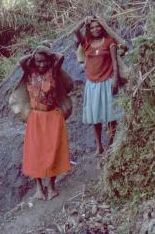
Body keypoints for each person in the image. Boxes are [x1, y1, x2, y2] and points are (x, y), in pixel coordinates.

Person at [18, 45, 71, 201]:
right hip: (36, 118)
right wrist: (35, 53)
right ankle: (39, 188)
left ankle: (52, 186)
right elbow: (21, 61)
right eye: (38, 61)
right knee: (36, 153)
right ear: (34, 61)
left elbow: (60, 56)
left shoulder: (53, 71)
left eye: (44, 61)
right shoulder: (30, 72)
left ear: (49, 61)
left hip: (53, 117)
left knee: (53, 151)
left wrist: (47, 52)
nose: (41, 64)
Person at [74, 15, 124, 155]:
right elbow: (75, 32)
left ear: (102, 28)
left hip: (107, 82)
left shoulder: (109, 42)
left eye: (98, 26)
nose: (95, 29)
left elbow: (114, 61)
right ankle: (99, 146)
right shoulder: (86, 43)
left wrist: (115, 80)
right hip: (92, 84)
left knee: (111, 116)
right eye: (92, 27)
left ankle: (110, 143)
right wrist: (84, 20)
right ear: (89, 29)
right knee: (95, 117)